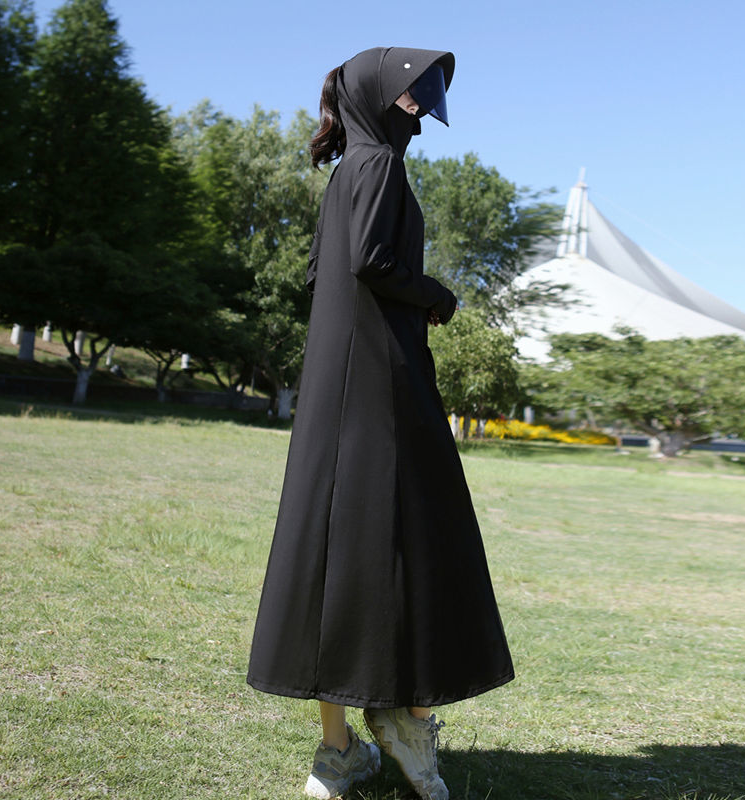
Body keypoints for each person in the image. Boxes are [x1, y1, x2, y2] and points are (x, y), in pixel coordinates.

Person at [247, 46, 514, 800]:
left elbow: (322, 274)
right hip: (382, 383)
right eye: (410, 97)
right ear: (374, 98)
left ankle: (338, 751)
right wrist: (436, 294)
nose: (420, 111)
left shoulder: (346, 171)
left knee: (338, 549)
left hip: (335, 389)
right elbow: (371, 261)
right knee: (421, 535)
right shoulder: (382, 167)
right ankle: (409, 725)